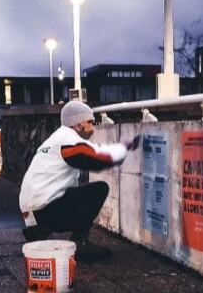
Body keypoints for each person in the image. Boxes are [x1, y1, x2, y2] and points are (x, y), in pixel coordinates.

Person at [18, 100, 139, 260]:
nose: (92, 127)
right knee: (99, 189)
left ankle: (39, 231)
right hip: (43, 210)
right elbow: (97, 158)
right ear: (78, 123)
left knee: (78, 190)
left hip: (31, 210)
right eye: (90, 122)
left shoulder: (55, 138)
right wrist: (124, 148)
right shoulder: (69, 139)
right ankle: (80, 242)